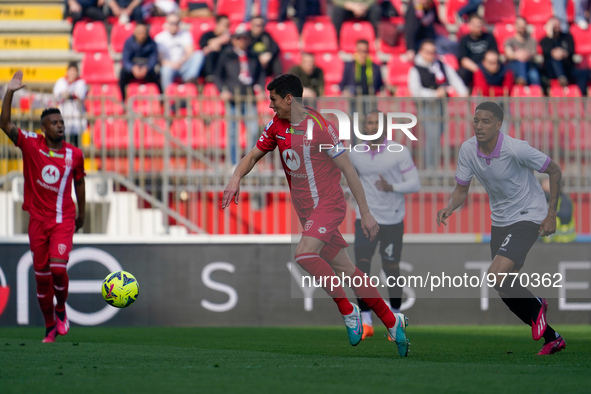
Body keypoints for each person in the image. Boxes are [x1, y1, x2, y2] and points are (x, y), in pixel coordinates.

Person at [222, 74, 410, 357]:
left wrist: (367, 213)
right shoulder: (276, 126)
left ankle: (349, 312)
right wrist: (235, 178)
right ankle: (393, 322)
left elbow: (349, 170)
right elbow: (251, 157)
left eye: (273, 99)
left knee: (304, 254)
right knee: (348, 271)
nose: (270, 105)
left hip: (329, 205)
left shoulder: (321, 127)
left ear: (288, 99)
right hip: (307, 212)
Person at [436, 101, 566, 356]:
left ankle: (538, 304)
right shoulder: (467, 150)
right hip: (500, 220)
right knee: (505, 287)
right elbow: (462, 188)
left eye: (486, 121)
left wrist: (551, 214)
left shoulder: (516, 148)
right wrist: (450, 207)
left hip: (529, 214)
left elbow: (554, 170)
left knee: (495, 276)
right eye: (476, 121)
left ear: (498, 125)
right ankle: (553, 338)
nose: (479, 126)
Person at [0, 71, 86, 343]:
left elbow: (80, 185)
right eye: (54, 122)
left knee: (58, 269)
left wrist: (82, 214)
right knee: (42, 279)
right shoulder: (31, 144)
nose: (60, 126)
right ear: (44, 129)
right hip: (37, 221)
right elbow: (4, 123)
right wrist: (10, 92)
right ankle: (50, 326)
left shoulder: (75, 154)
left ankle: (61, 309)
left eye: (61, 122)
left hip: (63, 219)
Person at [349, 111, 420, 339]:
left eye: (376, 123)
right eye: (369, 123)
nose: (372, 127)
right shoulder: (356, 153)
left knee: (391, 269)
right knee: (361, 269)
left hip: (392, 220)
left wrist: (392, 187)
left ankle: (395, 318)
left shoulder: (398, 152)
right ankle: (366, 321)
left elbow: (415, 184)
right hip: (366, 218)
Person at [408, 39, 468, 169]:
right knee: (431, 137)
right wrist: (434, 94)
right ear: (421, 52)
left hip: (440, 106)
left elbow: (454, 78)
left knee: (436, 137)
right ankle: (429, 167)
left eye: (433, 52)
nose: (431, 55)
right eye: (428, 52)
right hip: (426, 107)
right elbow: (415, 92)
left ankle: (432, 166)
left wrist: (463, 92)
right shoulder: (415, 69)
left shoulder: (440, 65)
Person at [214, 27, 265, 165]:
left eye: (244, 38)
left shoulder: (253, 55)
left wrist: (260, 88)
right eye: (238, 38)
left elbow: (260, 74)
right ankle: (234, 162)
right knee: (233, 132)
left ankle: (249, 162)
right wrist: (222, 90)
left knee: (254, 130)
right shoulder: (226, 54)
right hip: (233, 98)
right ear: (233, 40)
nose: (242, 41)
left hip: (249, 97)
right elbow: (217, 75)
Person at [540, 17, 589, 95]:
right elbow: (548, 52)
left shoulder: (567, 37)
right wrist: (551, 36)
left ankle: (581, 95)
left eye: (557, 24)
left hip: (567, 68)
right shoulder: (544, 40)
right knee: (555, 58)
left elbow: (571, 51)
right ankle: (561, 77)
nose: (556, 26)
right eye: (554, 25)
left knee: (584, 73)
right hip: (552, 71)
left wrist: (563, 53)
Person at [155, 13, 204, 91]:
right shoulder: (159, 38)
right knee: (165, 70)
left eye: (177, 23)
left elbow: (190, 51)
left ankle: (189, 81)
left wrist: (180, 62)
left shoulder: (185, 34)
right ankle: (168, 96)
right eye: (172, 23)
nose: (174, 26)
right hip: (169, 66)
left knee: (199, 55)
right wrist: (172, 64)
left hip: (183, 64)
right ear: (167, 24)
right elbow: (160, 60)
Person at [119, 22, 160, 100]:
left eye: (144, 33)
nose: (142, 35)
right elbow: (125, 59)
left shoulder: (152, 43)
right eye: (139, 33)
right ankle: (122, 100)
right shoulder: (128, 42)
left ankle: (159, 101)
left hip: (147, 69)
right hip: (133, 69)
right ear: (134, 32)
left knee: (157, 77)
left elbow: (154, 59)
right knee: (122, 74)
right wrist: (132, 68)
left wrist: (147, 68)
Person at [53, 62, 88, 147]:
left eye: (74, 71)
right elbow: (56, 96)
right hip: (64, 119)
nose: (72, 74)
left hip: (76, 119)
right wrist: (64, 95)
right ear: (67, 72)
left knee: (77, 147)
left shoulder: (81, 83)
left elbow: (81, 95)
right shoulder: (61, 82)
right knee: (63, 147)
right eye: (71, 71)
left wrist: (69, 95)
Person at [457, 14, 498, 87]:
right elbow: (463, 59)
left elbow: (493, 54)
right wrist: (478, 70)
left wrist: (487, 65)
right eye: (475, 25)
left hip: (487, 65)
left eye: (479, 25)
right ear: (469, 25)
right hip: (472, 68)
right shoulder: (464, 39)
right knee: (463, 73)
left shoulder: (489, 37)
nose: (477, 28)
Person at [504, 17, 541, 86]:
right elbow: (509, 54)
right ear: (515, 26)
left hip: (529, 65)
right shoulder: (509, 41)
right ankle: (522, 79)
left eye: (523, 25)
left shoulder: (532, 41)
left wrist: (525, 54)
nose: (521, 27)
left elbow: (533, 53)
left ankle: (535, 92)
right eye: (519, 25)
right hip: (514, 65)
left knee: (534, 75)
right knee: (520, 61)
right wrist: (518, 55)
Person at [541, 179, 576, 243]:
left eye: (547, 191)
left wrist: (551, 213)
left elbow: (566, 215)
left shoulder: (564, 201)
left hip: (564, 242)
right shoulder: (545, 202)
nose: (545, 194)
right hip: (548, 243)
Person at [199, 14, 231, 80]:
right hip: (207, 66)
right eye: (225, 25)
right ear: (217, 24)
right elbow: (203, 46)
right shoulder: (207, 35)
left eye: (228, 26)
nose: (226, 28)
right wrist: (222, 40)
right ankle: (209, 76)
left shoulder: (229, 40)